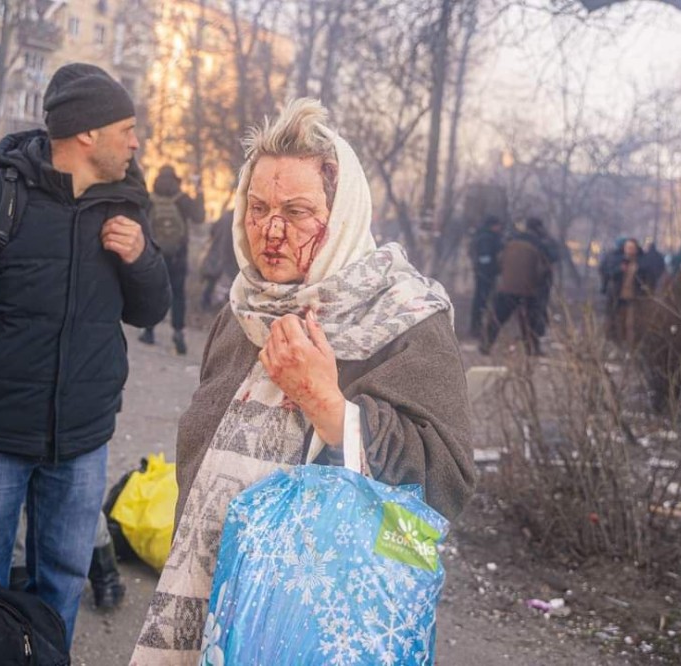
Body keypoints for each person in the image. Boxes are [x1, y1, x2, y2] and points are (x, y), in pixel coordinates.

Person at [131, 99, 476, 664]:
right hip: (210, 604)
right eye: (258, 206)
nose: (270, 230)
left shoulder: (406, 318)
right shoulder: (242, 311)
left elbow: (449, 482)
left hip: (323, 628)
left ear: (339, 216)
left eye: (295, 211)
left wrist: (329, 407)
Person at [0, 62, 170, 649]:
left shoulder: (125, 205)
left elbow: (149, 311)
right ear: (86, 134)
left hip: (80, 443)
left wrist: (142, 259)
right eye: (126, 128)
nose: (135, 141)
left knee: (64, 583)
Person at [139, 165, 204, 354]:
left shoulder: (150, 198)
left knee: (153, 290)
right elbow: (200, 218)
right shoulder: (182, 199)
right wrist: (199, 193)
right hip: (178, 255)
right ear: (176, 179)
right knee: (178, 294)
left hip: (154, 253)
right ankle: (178, 333)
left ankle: (149, 331)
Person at [480, 223, 551, 356]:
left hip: (506, 288)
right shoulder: (538, 246)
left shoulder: (509, 244)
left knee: (497, 318)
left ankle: (485, 345)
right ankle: (532, 349)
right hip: (528, 290)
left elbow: (499, 263)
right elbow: (543, 269)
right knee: (530, 322)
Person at [601, 237, 649, 349]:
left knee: (631, 324)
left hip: (633, 298)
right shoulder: (617, 259)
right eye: (627, 247)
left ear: (636, 249)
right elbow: (608, 274)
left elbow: (647, 278)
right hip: (617, 296)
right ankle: (615, 346)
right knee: (616, 322)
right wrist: (619, 269)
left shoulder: (641, 262)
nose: (629, 250)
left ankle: (631, 348)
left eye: (632, 248)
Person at [468, 215, 504, 338]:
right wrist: (491, 269)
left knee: (482, 301)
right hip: (485, 274)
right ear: (493, 226)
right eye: (498, 225)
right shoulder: (486, 238)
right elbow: (485, 257)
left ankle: (478, 327)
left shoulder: (485, 236)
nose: (500, 228)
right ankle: (476, 329)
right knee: (481, 301)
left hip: (484, 273)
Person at [525, 217, 561, 338]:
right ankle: (535, 331)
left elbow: (554, 256)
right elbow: (555, 256)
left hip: (536, 276)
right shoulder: (546, 239)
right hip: (542, 277)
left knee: (535, 305)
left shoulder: (532, 239)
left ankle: (535, 331)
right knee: (539, 304)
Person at [199, 207, 239, 312]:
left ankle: (205, 304)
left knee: (212, 279)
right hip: (232, 254)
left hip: (218, 251)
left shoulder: (225, 216)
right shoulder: (241, 219)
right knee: (231, 280)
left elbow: (212, 230)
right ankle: (224, 307)